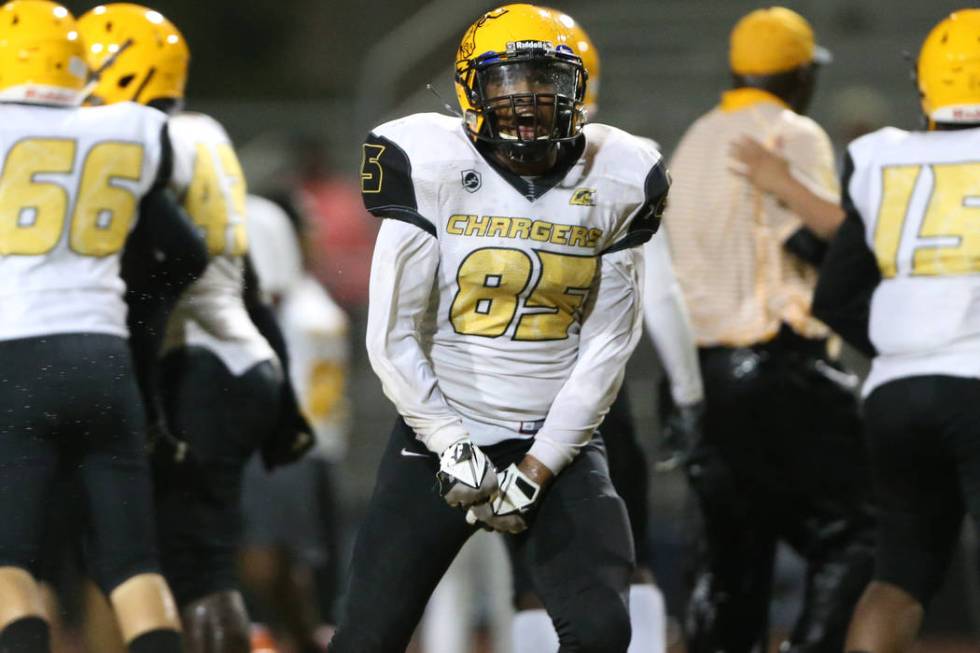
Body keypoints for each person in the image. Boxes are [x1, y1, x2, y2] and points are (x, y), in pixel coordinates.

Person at [329, 4, 668, 651]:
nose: (527, 106)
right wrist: (453, 445)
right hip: (443, 433)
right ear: (469, 89)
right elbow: (390, 335)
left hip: (556, 440)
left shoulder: (620, 174)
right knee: (366, 638)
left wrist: (540, 466)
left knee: (601, 629)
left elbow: (606, 348)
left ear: (576, 94)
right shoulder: (429, 161)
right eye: (508, 85)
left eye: (546, 87)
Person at [77, 5, 313, 652]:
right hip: (241, 355)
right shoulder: (204, 129)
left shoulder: (135, 138)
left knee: (188, 565)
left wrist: (142, 386)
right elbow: (247, 278)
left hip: (195, 365)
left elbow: (154, 268)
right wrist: (286, 396)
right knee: (179, 559)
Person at [662, 7, 875, 652]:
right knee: (859, 532)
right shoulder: (792, 133)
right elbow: (824, 247)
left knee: (731, 557)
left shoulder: (693, 139)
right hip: (776, 369)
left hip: (697, 377)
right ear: (801, 74)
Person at [0, 2, 209, 652]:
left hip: (17, 358)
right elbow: (177, 243)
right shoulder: (134, 129)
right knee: (134, 567)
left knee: (10, 565)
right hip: (106, 356)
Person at [508, 10, 703, 653]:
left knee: (528, 572)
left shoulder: (463, 158)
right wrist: (688, 391)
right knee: (620, 556)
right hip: (586, 401)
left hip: (487, 394)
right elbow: (663, 288)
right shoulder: (617, 159)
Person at [811, 10, 980, 653]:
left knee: (900, 575)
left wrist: (907, 349)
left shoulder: (882, 158)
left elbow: (834, 294)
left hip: (896, 391)